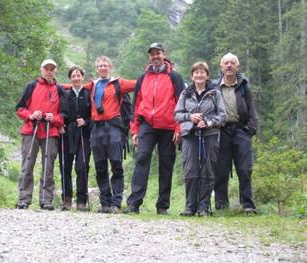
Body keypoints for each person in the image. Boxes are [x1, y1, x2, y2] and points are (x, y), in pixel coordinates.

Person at [124, 43, 185, 215]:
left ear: (164, 55)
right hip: (147, 125)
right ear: (149, 57)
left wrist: (179, 128)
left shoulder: (174, 76)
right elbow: (136, 104)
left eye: (158, 53)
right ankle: (134, 203)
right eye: (152, 54)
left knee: (166, 164)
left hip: (168, 126)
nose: (155, 57)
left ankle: (162, 205)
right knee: (142, 159)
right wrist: (134, 130)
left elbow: (182, 103)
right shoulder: (143, 77)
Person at [84, 56, 136, 213]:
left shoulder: (118, 83)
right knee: (100, 167)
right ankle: (105, 203)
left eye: (105, 65)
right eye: (100, 65)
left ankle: (116, 202)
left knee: (116, 165)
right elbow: (74, 86)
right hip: (97, 129)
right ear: (96, 68)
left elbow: (140, 83)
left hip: (113, 128)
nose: (102, 68)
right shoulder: (92, 85)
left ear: (110, 67)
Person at [174, 61, 225, 217]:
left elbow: (222, 116)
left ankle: (203, 207)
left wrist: (209, 122)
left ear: (207, 75)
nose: (199, 75)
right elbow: (177, 115)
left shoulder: (215, 93)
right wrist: (191, 117)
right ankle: (190, 207)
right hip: (190, 136)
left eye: (203, 72)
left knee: (207, 171)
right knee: (190, 171)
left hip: (209, 135)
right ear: (192, 75)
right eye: (196, 72)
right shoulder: (186, 93)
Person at [15, 59, 67, 210]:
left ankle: (46, 200)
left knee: (48, 167)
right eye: (46, 68)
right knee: (27, 164)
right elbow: (19, 108)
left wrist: (55, 118)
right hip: (31, 130)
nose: (49, 71)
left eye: (52, 68)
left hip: (51, 131)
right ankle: (23, 199)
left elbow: (65, 114)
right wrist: (30, 115)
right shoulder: (31, 86)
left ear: (55, 71)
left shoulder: (60, 89)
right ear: (41, 70)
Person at [214, 53, 258, 214]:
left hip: (241, 130)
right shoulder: (214, 86)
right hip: (221, 131)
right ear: (221, 67)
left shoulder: (244, 86)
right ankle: (221, 206)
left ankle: (247, 205)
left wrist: (250, 130)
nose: (229, 65)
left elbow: (251, 109)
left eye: (232, 63)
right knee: (221, 170)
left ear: (237, 67)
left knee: (245, 169)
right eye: (226, 63)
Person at [59, 66, 91, 211]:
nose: (76, 78)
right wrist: (60, 124)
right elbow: (59, 112)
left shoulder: (89, 94)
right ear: (70, 78)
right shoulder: (65, 94)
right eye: (73, 75)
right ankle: (66, 199)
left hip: (83, 134)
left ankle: (81, 201)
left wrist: (86, 121)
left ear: (82, 77)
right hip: (66, 133)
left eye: (78, 75)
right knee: (65, 166)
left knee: (82, 166)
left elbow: (94, 115)